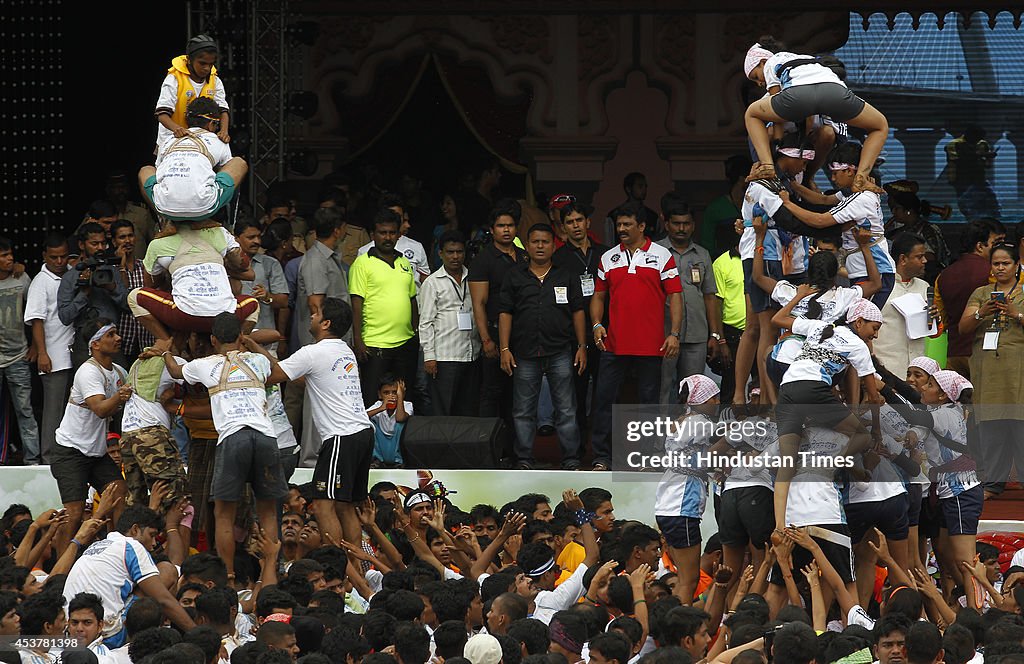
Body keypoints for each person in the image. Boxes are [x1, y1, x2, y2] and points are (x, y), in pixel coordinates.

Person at [156, 313, 285, 580]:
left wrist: (166, 352)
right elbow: (276, 371)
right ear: (240, 337)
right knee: (268, 510)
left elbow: (176, 372)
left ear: (213, 340)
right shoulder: (258, 360)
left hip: (232, 439)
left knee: (224, 513)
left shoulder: (205, 364)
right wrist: (252, 344)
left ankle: (226, 577)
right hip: (265, 437)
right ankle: (270, 571)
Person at [252, 298, 374, 551]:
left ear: (326, 323)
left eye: (316, 314)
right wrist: (258, 348)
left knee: (321, 504)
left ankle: (336, 562)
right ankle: (354, 565)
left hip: (341, 436)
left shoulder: (314, 351)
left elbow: (274, 376)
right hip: (361, 433)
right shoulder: (344, 350)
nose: (311, 317)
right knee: (345, 505)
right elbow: (301, 381)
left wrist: (254, 349)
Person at [771, 295, 884, 541]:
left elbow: (777, 319)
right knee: (861, 436)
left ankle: (779, 526)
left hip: (787, 388)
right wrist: (876, 432)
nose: (874, 336)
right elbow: (874, 397)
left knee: (786, 465)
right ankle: (835, 464)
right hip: (813, 390)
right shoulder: (858, 347)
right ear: (859, 322)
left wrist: (799, 296)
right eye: (874, 329)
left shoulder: (820, 325)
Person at [590, 201, 683, 471]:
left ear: (641, 226)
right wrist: (597, 324)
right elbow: (598, 295)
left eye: (627, 224)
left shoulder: (662, 255)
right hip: (614, 343)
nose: (621, 229)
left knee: (649, 406)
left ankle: (644, 458)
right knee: (604, 400)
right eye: (619, 225)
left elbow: (675, 296)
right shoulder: (608, 257)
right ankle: (601, 458)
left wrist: (674, 333)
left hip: (651, 345)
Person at [743, 36, 889, 193]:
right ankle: (861, 178)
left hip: (799, 95)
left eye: (755, 76)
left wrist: (777, 144)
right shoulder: (809, 60)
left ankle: (767, 168)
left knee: (752, 113)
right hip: (834, 91)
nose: (759, 83)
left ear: (763, 62)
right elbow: (810, 118)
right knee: (879, 126)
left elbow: (777, 109)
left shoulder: (772, 62)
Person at [498, 223, 588, 470]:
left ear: (553, 245)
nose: (540, 246)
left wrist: (582, 346)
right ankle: (524, 459)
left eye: (545, 242)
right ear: (527, 246)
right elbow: (505, 312)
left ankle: (571, 460)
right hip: (524, 353)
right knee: (523, 411)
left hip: (560, 350)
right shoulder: (515, 276)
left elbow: (578, 311)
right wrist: (504, 349)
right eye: (535, 242)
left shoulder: (566, 275)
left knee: (567, 409)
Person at [774, 142, 897, 308]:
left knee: (862, 325)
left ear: (850, 171)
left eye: (835, 173)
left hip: (873, 272)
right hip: (864, 270)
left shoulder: (859, 199)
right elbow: (823, 200)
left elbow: (820, 221)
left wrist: (787, 204)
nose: (832, 179)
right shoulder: (853, 193)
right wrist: (794, 186)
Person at [64, 506, 195, 647]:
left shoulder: (97, 546)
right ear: (135, 530)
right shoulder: (131, 545)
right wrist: (197, 634)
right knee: (167, 570)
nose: (153, 543)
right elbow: (163, 599)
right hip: (107, 635)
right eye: (151, 535)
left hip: (71, 632)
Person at [49, 319, 130, 538]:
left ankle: (115, 544)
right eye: (110, 335)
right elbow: (100, 409)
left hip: (96, 452)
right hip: (70, 451)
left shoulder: (119, 372)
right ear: (95, 344)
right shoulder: (88, 372)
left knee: (118, 492)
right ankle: (61, 567)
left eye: (116, 333)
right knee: (74, 513)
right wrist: (119, 396)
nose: (118, 338)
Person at [655, 375, 731, 603]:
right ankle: (681, 625)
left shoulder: (682, 420)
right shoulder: (701, 423)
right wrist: (732, 438)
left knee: (682, 578)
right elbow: (714, 450)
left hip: (666, 507)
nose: (717, 402)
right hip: (682, 509)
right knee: (690, 579)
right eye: (713, 398)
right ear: (700, 399)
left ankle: (672, 619)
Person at [959, 243, 1024, 497]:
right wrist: (981, 314)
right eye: (995, 263)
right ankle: (993, 484)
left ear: (1016, 265)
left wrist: (1015, 314)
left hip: (1018, 371)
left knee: (1020, 425)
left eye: (1005, 263)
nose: (1000, 268)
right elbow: (964, 327)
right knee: (992, 427)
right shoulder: (981, 293)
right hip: (988, 371)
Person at [129, 218, 259, 342]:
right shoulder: (220, 233)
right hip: (225, 314)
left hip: (183, 314)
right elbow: (244, 265)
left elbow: (150, 284)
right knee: (254, 304)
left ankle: (165, 341)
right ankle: (238, 343)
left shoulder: (158, 244)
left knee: (134, 296)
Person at [656, 194, 726, 404]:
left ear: (693, 225)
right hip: (664, 334)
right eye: (676, 223)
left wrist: (714, 334)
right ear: (666, 224)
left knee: (694, 390)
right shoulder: (655, 252)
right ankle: (662, 436)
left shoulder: (702, 254)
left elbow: (710, 297)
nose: (681, 228)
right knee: (664, 387)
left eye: (686, 224)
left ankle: (689, 434)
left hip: (696, 334)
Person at [349, 208, 419, 405]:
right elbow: (356, 303)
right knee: (372, 399)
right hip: (374, 344)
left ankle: (399, 436)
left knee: (404, 400)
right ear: (373, 235)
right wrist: (358, 340)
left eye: (392, 232)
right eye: (382, 232)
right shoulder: (362, 264)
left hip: (405, 343)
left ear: (398, 234)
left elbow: (412, 298)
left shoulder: (404, 262)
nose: (387, 237)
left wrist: (414, 331)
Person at [469, 200, 527, 433]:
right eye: (501, 226)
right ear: (492, 230)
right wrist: (486, 339)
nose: (506, 230)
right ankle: (488, 446)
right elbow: (478, 303)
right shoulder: (483, 260)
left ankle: (516, 451)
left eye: (510, 225)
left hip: (522, 333)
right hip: (493, 333)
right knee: (492, 391)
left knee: (519, 393)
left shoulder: (524, 256)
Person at [140, 97, 247, 222]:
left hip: (165, 207)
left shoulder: (169, 140)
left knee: (145, 170)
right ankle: (224, 222)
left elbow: (159, 173)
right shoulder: (217, 140)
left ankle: (164, 222)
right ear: (211, 123)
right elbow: (224, 171)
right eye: (217, 125)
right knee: (239, 163)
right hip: (204, 207)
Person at [551, 203, 609, 432]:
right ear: (563, 227)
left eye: (579, 220)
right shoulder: (558, 259)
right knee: (575, 392)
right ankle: (578, 445)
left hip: (604, 332)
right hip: (573, 336)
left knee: (605, 391)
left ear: (588, 222)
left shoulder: (605, 254)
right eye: (569, 222)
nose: (575, 225)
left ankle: (602, 442)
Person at [24, 233, 74, 464]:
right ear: (45, 256)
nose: (59, 261)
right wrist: (42, 353)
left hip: (75, 355)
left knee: (72, 410)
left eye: (63, 256)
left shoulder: (73, 274)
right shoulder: (40, 282)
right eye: (54, 257)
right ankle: (49, 460)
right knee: (53, 412)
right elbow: (37, 320)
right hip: (54, 357)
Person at [417, 230, 480, 416]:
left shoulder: (474, 278)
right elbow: (425, 322)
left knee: (468, 409)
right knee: (444, 410)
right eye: (450, 252)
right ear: (440, 253)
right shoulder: (432, 282)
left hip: (472, 354)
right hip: (444, 357)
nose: (455, 257)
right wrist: (429, 356)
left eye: (459, 252)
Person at [57, 223, 130, 369]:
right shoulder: (70, 277)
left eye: (103, 243)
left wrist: (112, 288)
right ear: (82, 245)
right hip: (84, 342)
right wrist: (84, 293)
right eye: (94, 243)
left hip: (112, 338)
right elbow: (65, 316)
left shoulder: (111, 272)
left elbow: (129, 306)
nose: (100, 248)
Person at [937, 220, 1002, 379]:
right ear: (980, 246)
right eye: (995, 243)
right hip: (984, 352)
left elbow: (941, 319)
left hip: (954, 354)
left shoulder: (943, 276)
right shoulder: (994, 273)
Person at [874, 233, 938, 379]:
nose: (925, 260)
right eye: (919, 257)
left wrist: (935, 318)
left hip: (917, 369)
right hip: (886, 367)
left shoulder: (924, 287)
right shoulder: (880, 287)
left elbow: (933, 333)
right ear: (903, 259)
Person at [0, 236, 39, 465]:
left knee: (25, 410)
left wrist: (35, 345)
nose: (10, 258)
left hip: (18, 355)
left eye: (10, 254)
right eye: (4, 255)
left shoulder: (22, 277)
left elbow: (34, 314)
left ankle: (33, 460)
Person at [154, 34, 230, 147]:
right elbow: (161, 114)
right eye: (202, 63)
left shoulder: (215, 81)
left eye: (211, 64)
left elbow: (223, 110)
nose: (207, 68)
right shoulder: (174, 79)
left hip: (203, 142)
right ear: (189, 60)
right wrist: (177, 129)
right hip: (172, 140)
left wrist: (224, 131)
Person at [234, 220, 290, 356]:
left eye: (259, 236)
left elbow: (283, 302)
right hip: (233, 340)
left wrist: (267, 296)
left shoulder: (270, 264)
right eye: (251, 237)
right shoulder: (224, 264)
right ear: (236, 239)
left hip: (265, 341)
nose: (257, 241)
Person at [110, 220, 155, 361]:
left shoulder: (145, 266)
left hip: (146, 337)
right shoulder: (109, 271)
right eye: (122, 237)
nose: (127, 241)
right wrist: (121, 266)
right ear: (113, 241)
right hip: (122, 338)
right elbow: (124, 297)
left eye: (130, 236)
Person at [701, 155, 753, 252]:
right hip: (724, 263)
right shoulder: (716, 208)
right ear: (742, 179)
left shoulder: (757, 205)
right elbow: (707, 245)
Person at [103, 172, 157, 260]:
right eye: (116, 188)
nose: (120, 191)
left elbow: (154, 238)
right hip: (113, 267)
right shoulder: (101, 213)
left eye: (123, 187)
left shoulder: (141, 212)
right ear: (108, 190)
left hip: (141, 266)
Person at [365, 376, 412, 467]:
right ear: (380, 395)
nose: (391, 396)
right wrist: (381, 408)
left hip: (397, 442)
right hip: (381, 442)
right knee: (369, 424)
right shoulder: (378, 405)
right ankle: (376, 460)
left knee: (401, 424)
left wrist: (400, 397)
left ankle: (399, 462)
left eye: (395, 392)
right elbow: (362, 417)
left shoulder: (407, 405)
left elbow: (400, 418)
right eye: (386, 393)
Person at [604, 172, 662, 242]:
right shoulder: (614, 216)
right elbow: (609, 243)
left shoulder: (653, 217)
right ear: (628, 189)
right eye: (640, 186)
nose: (644, 190)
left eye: (645, 186)